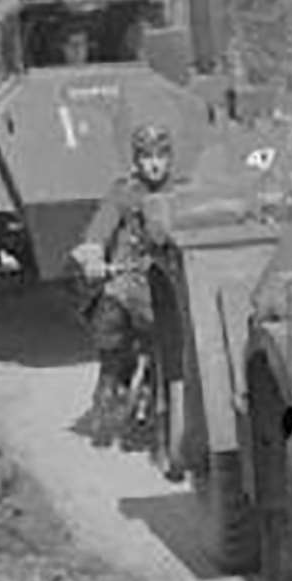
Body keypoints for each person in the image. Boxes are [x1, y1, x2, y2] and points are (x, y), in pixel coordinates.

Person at [70, 121, 176, 446]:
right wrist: (92, 256)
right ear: (136, 159)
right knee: (110, 327)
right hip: (125, 280)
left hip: (167, 284)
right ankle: (108, 391)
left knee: (170, 347)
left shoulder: (180, 191)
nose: (154, 163)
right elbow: (99, 228)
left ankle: (160, 407)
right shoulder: (124, 191)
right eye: (146, 156)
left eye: (161, 155)